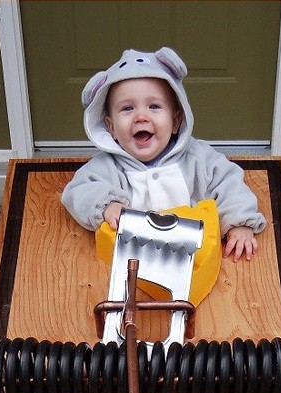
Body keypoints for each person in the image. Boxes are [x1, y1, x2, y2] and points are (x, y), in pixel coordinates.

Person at [61, 46, 266, 261]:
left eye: (154, 106)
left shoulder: (198, 158)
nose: (141, 116)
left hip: (195, 256)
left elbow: (228, 183)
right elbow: (77, 191)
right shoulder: (107, 166)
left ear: (176, 121)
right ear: (111, 128)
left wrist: (239, 222)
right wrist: (106, 206)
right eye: (127, 109)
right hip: (132, 261)